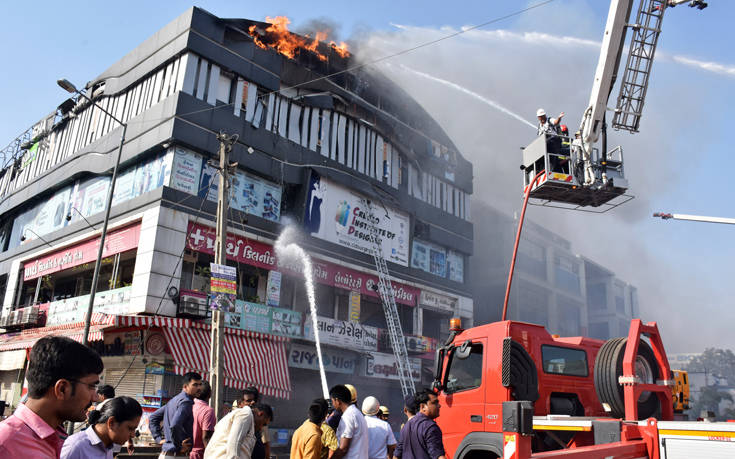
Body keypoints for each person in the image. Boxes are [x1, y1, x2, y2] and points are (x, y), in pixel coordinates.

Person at [0, 336, 104, 458]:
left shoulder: (57, 437)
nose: (96, 398)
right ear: (62, 389)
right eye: (91, 386)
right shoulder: (6, 443)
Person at [61, 396, 141, 459]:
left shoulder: (108, 447)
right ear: (111, 423)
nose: (133, 435)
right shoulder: (76, 447)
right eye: (130, 428)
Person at [150, 372, 203, 458]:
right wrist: (179, 446)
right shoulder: (186, 402)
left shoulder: (173, 401)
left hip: (166, 455)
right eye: (195, 385)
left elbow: (153, 417)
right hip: (176, 455)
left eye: (200, 385)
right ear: (185, 387)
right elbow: (175, 424)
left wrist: (158, 439)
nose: (199, 388)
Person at [204, 397, 272, 459]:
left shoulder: (250, 422)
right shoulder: (246, 414)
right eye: (264, 424)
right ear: (261, 414)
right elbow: (234, 444)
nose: (261, 428)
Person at [394, 390, 445, 459]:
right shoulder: (430, 427)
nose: (439, 406)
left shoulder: (405, 427)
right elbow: (438, 456)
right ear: (423, 407)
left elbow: (396, 456)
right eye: (435, 403)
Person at [330, 384, 368, 459]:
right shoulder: (357, 413)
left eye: (332, 401)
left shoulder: (348, 416)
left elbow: (343, 449)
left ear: (337, 401)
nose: (333, 405)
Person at [239, 386, 270, 459]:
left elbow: (266, 444)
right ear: (240, 404)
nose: (252, 403)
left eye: (254, 400)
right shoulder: (236, 420)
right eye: (248, 400)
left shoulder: (260, 420)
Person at [191, 381, 216, 459]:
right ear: (210, 394)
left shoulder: (189, 405)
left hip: (186, 453)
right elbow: (206, 437)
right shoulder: (208, 410)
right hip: (199, 454)